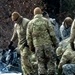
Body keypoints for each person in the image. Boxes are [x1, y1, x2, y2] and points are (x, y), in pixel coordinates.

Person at [26, 7, 58, 75]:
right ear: (41, 13)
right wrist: (55, 43)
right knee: (50, 62)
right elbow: (52, 34)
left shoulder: (30, 23)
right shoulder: (46, 21)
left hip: (37, 46)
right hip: (48, 45)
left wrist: (31, 47)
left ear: (34, 14)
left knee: (40, 64)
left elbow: (28, 37)